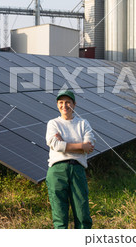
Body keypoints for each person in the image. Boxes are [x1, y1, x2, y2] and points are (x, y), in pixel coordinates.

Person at [45, 90, 95, 229]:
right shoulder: (53, 123)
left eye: (68, 102)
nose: (64, 105)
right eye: (61, 102)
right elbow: (54, 144)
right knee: (60, 215)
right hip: (57, 170)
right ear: (57, 105)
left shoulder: (83, 123)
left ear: (74, 104)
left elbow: (89, 146)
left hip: (77, 169)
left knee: (82, 213)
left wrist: (65, 144)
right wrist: (81, 146)